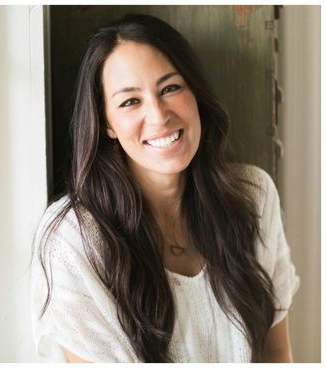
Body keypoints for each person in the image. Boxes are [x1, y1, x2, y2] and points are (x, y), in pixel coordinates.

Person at [30, 14, 299, 363]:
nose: (158, 116)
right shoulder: (72, 240)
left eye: (170, 88)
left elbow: (276, 353)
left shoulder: (254, 196)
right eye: (130, 101)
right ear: (106, 123)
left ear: (195, 93)